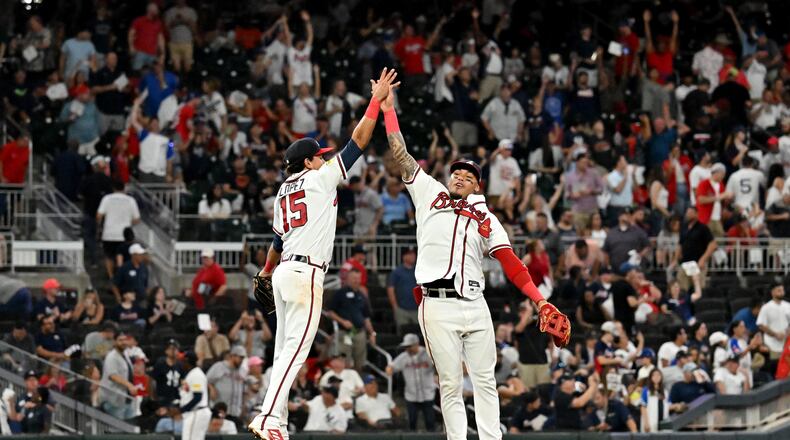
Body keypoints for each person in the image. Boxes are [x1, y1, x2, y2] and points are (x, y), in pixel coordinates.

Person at [380, 79, 569, 440]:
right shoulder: (430, 193)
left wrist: (540, 300)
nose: (460, 177)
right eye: (457, 173)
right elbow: (402, 155)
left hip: (475, 303)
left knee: (485, 380)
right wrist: (389, 111)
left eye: (468, 176)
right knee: (450, 384)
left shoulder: (487, 219)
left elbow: (511, 263)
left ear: (477, 186)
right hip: (436, 305)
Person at [248, 69, 396, 438]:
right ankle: (267, 419)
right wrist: (376, 102)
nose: (323, 159)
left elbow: (277, 243)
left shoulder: (283, 191)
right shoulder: (318, 177)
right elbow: (358, 141)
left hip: (283, 272)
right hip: (304, 276)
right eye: (319, 156)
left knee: (284, 349)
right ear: (310, 161)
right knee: (296, 351)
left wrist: (266, 273)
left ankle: (276, 420)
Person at [327, 269, 376, 371]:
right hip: (344, 333)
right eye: (354, 278)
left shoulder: (362, 295)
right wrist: (342, 321)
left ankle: (357, 382)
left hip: (359, 333)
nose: (356, 281)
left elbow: (366, 317)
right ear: (348, 279)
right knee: (345, 361)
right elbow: (330, 312)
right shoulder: (340, 293)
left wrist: (372, 333)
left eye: (358, 278)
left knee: (360, 363)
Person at [386, 333, 436, 432]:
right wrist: (389, 369)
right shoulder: (404, 357)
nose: (407, 349)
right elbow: (391, 367)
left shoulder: (428, 354)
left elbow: (439, 366)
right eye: (406, 347)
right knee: (411, 424)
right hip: (411, 396)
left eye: (409, 346)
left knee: (430, 423)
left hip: (428, 394)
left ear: (416, 344)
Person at [97, 179, 141, 278]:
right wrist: (129, 223)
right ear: (124, 188)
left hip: (109, 233)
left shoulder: (107, 199)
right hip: (125, 235)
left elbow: (99, 215)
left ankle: (111, 277)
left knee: (109, 256)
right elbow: (137, 219)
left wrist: (100, 226)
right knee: (125, 257)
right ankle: (122, 276)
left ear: (113, 188)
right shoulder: (130, 200)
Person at [672, 207, 716, 291]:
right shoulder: (684, 228)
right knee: (682, 287)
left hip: (697, 262)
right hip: (685, 262)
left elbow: (713, 245)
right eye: (687, 213)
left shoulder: (702, 228)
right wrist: (675, 259)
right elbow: (680, 244)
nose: (688, 215)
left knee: (697, 288)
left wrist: (703, 259)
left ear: (696, 214)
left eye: (691, 212)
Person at [99, 332, 135, 420]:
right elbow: (113, 376)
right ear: (114, 342)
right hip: (113, 400)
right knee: (117, 429)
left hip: (126, 398)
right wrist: (129, 385)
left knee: (129, 428)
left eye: (125, 340)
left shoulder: (125, 354)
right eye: (120, 340)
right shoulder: (111, 357)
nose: (123, 342)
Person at [206, 345, 246, 421]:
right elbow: (206, 380)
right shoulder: (219, 366)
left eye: (243, 358)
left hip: (235, 411)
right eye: (240, 357)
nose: (241, 360)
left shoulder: (242, 370)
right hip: (220, 409)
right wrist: (211, 388)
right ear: (232, 356)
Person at [180, 350, 211, 440]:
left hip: (196, 412)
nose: (181, 363)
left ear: (187, 361)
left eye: (183, 361)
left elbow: (197, 397)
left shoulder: (196, 375)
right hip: (194, 412)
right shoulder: (192, 374)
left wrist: (181, 410)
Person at [387, 248, 418, 333]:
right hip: (402, 309)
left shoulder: (418, 270)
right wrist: (395, 307)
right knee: (403, 333)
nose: (413, 256)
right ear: (404, 256)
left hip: (416, 308)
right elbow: (390, 289)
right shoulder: (397, 272)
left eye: (413, 254)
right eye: (410, 254)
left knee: (419, 334)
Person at [757, 283, 790, 361]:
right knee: (775, 365)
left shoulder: (788, 305)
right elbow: (761, 324)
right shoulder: (766, 307)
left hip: (786, 342)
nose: (782, 292)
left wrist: (787, 333)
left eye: (782, 290)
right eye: (779, 290)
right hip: (771, 344)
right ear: (772, 292)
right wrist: (775, 334)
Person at [128, 2, 165, 71]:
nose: (158, 12)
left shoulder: (158, 23)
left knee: (153, 74)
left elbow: (160, 38)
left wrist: (162, 53)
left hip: (153, 53)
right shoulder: (139, 21)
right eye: (156, 10)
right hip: (140, 52)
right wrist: (131, 47)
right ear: (151, 11)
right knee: (137, 72)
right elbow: (131, 34)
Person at [151, 339, 183, 407]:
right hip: (162, 397)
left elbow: (182, 380)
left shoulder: (180, 365)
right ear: (166, 351)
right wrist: (152, 396)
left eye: (175, 348)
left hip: (176, 397)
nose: (173, 351)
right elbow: (151, 379)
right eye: (170, 348)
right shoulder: (160, 363)